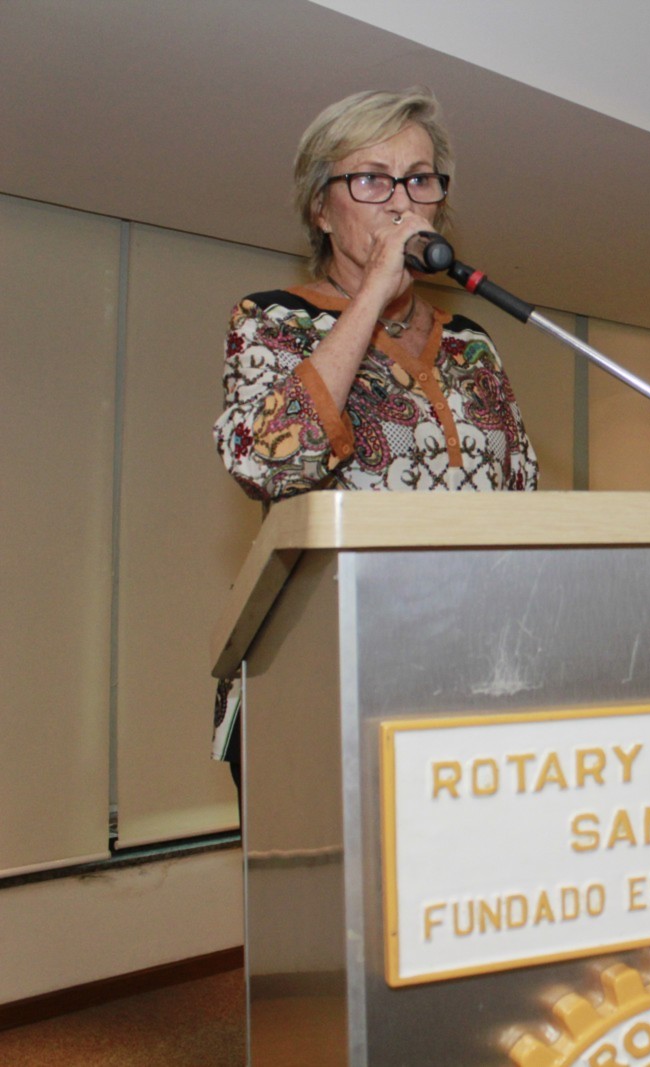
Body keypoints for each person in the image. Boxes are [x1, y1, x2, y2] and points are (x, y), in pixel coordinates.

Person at [211, 87, 538, 788]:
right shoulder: (272, 322)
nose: (400, 203)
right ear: (321, 209)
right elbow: (264, 460)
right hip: (316, 683)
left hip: (464, 682)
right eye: (371, 179)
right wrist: (370, 297)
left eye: (418, 180)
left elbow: (522, 498)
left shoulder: (472, 344)